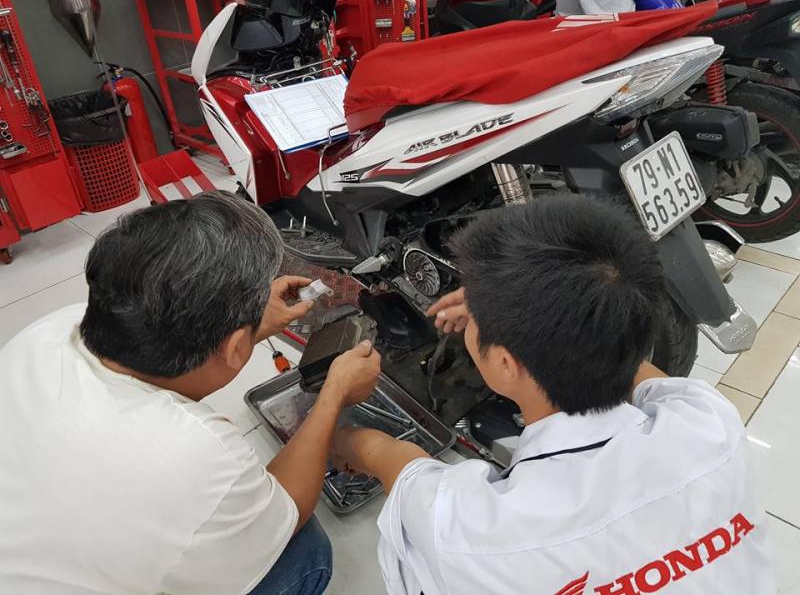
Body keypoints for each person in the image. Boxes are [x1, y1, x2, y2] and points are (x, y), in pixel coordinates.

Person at [332, 194, 774, 595]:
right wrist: (530, 308)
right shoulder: (709, 421)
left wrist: (341, 435)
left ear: (506, 364)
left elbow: (385, 456)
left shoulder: (470, 529)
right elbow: (616, 342)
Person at [0, 191, 381, 595]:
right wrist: (334, 393)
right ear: (235, 350)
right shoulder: (198, 456)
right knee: (303, 553)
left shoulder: (47, 332)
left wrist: (249, 325)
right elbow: (291, 509)